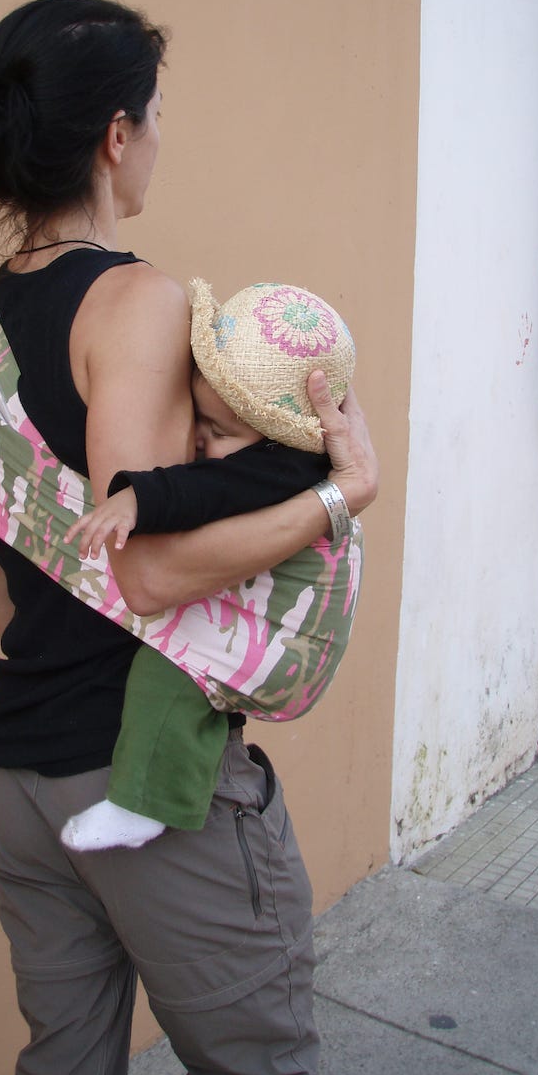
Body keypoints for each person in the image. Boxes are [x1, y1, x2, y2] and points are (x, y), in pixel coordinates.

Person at [0, 0, 379, 1075]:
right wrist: (341, 493)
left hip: (18, 788)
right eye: (156, 113)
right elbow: (151, 567)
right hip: (142, 787)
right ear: (116, 135)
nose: (160, 138)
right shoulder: (138, 303)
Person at [61, 279, 362, 852]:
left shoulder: (284, 468)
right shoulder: (279, 455)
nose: (198, 442)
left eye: (220, 431)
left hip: (282, 635)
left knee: (171, 675)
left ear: (276, 438)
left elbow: (215, 490)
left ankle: (146, 803)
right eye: (198, 419)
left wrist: (138, 498)